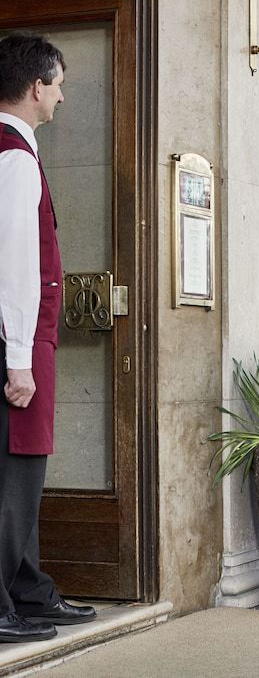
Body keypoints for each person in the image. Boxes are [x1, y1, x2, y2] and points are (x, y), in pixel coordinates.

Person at [0, 33, 96, 643]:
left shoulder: (16, 151)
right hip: (16, 344)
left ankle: (27, 591)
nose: (61, 97)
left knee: (23, 475)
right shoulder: (13, 155)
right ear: (36, 87)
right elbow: (13, 263)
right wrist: (17, 362)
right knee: (13, 477)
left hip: (24, 341)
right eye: (57, 85)